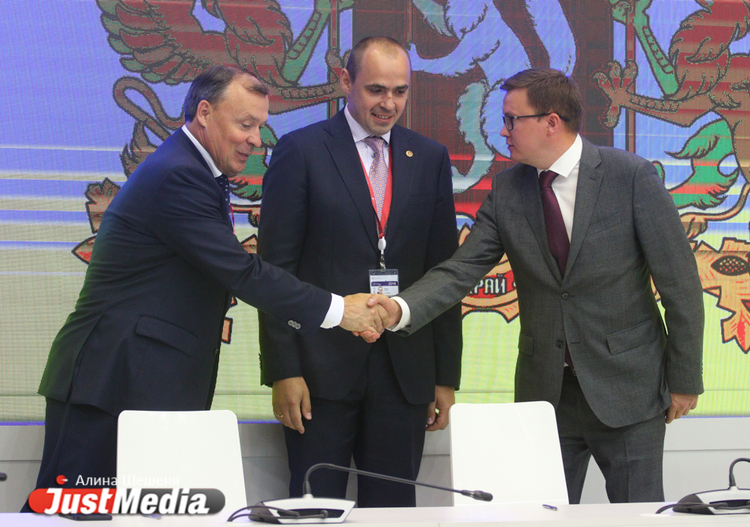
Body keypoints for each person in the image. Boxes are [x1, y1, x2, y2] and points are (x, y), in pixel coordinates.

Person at [24, 65, 389, 508]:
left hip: (139, 387)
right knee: (69, 513)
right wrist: (339, 311)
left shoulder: (190, 169)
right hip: (111, 387)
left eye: (260, 127)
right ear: (204, 113)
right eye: (245, 124)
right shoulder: (179, 174)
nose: (256, 140)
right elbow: (242, 272)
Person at [371, 68, 704, 504]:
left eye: (512, 120)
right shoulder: (508, 189)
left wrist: (684, 379)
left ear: (551, 122)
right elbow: (460, 270)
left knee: (639, 514)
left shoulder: (630, 176)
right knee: (540, 514)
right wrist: (400, 308)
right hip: (545, 396)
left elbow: (681, 286)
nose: (503, 131)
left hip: (629, 389)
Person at [257, 37, 462, 507]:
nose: (389, 103)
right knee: (313, 508)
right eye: (375, 90)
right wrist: (284, 371)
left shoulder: (429, 157)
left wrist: (445, 376)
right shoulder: (301, 150)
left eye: (400, 91)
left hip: (405, 375)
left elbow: (443, 274)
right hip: (317, 374)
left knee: (394, 509)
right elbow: (274, 273)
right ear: (345, 81)